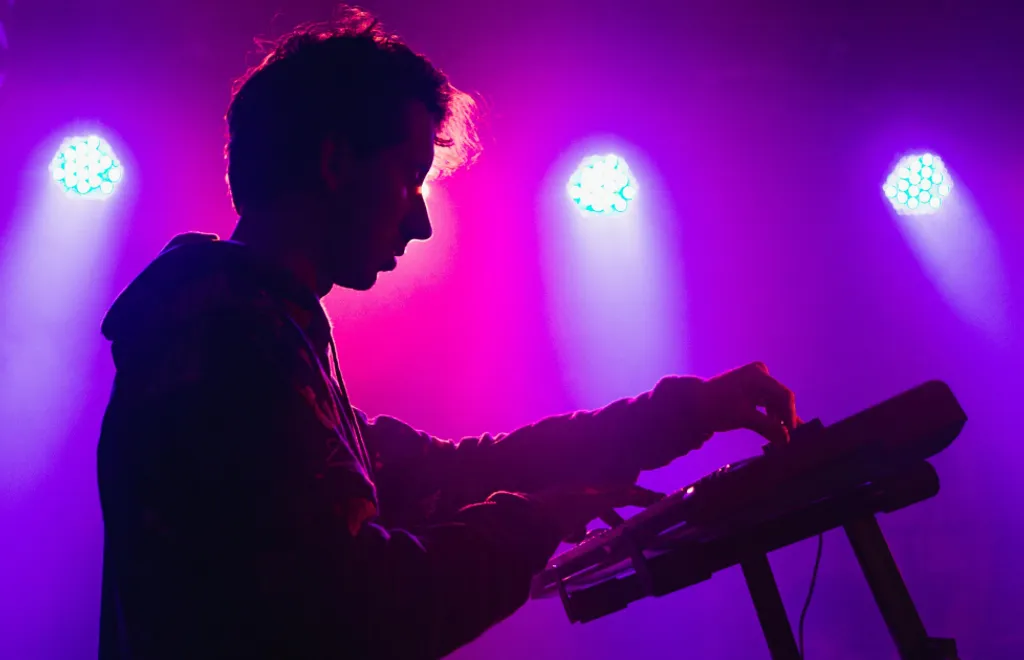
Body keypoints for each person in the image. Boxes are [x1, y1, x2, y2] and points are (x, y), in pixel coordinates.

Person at [97, 9, 800, 660]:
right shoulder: (227, 342)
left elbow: (451, 472)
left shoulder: (247, 329)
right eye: (409, 179)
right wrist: (535, 521)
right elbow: (358, 610)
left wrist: (681, 415)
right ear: (335, 163)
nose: (419, 223)